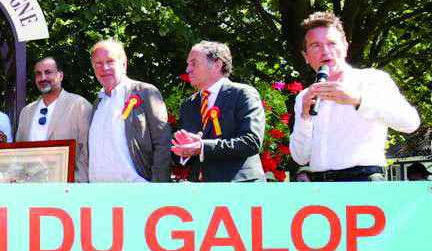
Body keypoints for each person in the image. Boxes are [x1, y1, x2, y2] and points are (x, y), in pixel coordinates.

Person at [289, 11, 419, 181]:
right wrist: (305, 118)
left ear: (345, 47)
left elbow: (410, 123)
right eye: (316, 45)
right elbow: (300, 157)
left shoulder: (372, 80)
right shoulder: (304, 97)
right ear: (305, 56)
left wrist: (359, 100)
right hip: (320, 186)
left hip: (364, 181)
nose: (325, 51)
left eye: (331, 43)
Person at [171, 41, 265, 182]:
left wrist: (202, 147)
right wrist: (183, 149)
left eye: (194, 63)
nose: (188, 69)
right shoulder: (188, 105)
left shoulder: (243, 94)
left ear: (217, 65)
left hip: (240, 190)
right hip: (200, 192)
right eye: (188, 64)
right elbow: (186, 157)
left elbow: (251, 141)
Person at [87, 40, 171, 182]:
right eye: (98, 63)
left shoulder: (145, 92)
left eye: (110, 61)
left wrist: (158, 188)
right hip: (99, 195)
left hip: (136, 191)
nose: (104, 67)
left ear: (124, 64)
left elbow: (163, 143)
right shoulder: (97, 103)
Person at [15, 57, 93, 182]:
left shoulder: (79, 105)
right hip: (31, 188)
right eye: (38, 74)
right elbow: (19, 154)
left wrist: (78, 182)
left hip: (67, 188)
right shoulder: (26, 112)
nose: (43, 78)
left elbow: (87, 151)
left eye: (48, 72)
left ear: (60, 76)